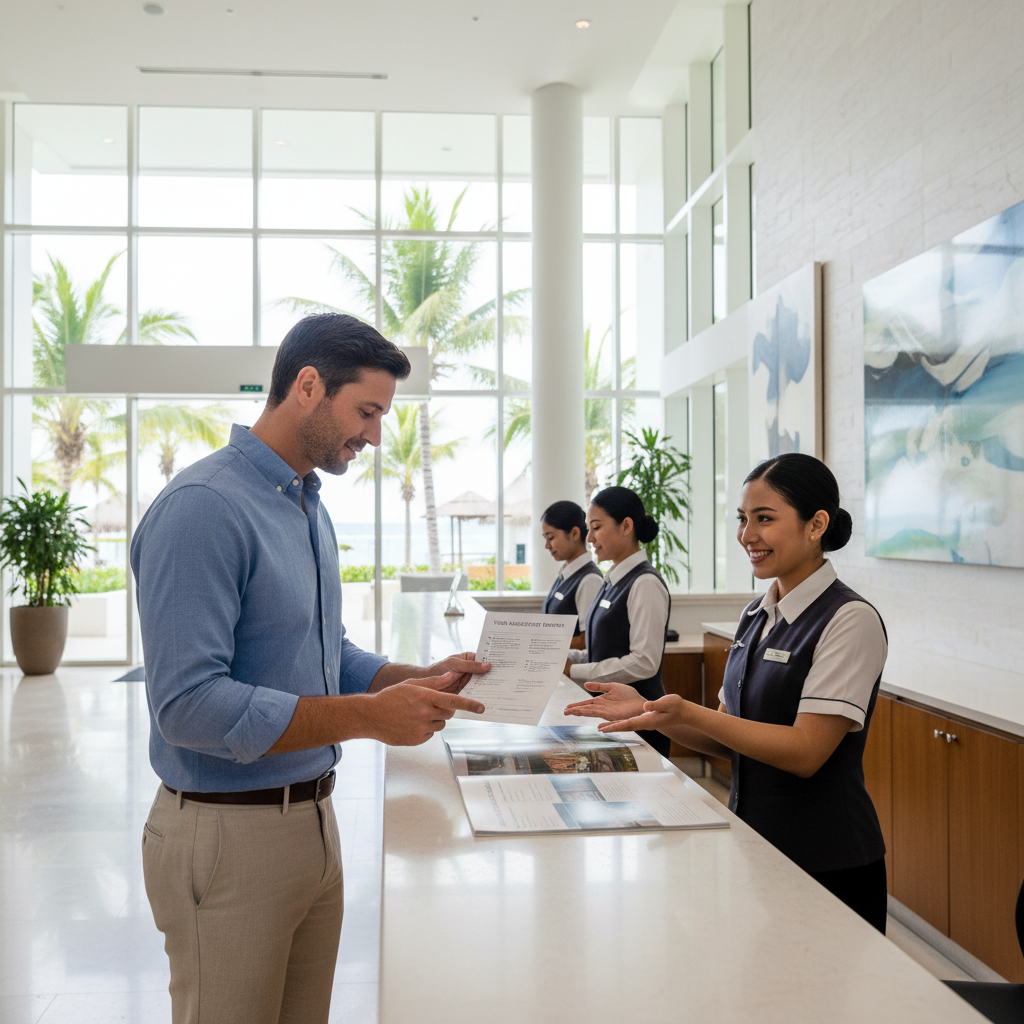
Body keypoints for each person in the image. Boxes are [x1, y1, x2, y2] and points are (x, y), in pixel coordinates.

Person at [131, 313, 489, 1024]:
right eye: (366, 411)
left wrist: (412, 677)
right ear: (307, 386)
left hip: (313, 828)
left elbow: (326, 654)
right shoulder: (203, 508)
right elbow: (190, 705)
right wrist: (367, 718)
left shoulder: (304, 504)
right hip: (227, 835)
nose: (376, 435)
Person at [565, 453, 889, 932]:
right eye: (742, 519)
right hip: (757, 846)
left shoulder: (848, 619)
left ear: (816, 524)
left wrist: (682, 710)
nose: (747, 535)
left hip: (829, 862)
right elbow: (726, 737)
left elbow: (806, 751)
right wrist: (655, 711)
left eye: (764, 519)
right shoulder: (756, 615)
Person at [565, 486, 672, 758]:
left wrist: (574, 672)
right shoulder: (612, 579)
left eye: (596, 527)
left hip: (639, 722)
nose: (589, 538)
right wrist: (562, 658)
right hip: (611, 718)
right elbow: (603, 649)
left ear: (626, 526)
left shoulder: (645, 583)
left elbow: (644, 662)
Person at [540, 500, 603, 647]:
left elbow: (587, 640)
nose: (547, 546)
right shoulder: (565, 574)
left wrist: (543, 646)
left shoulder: (590, 580)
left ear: (574, 533)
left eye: (551, 538)